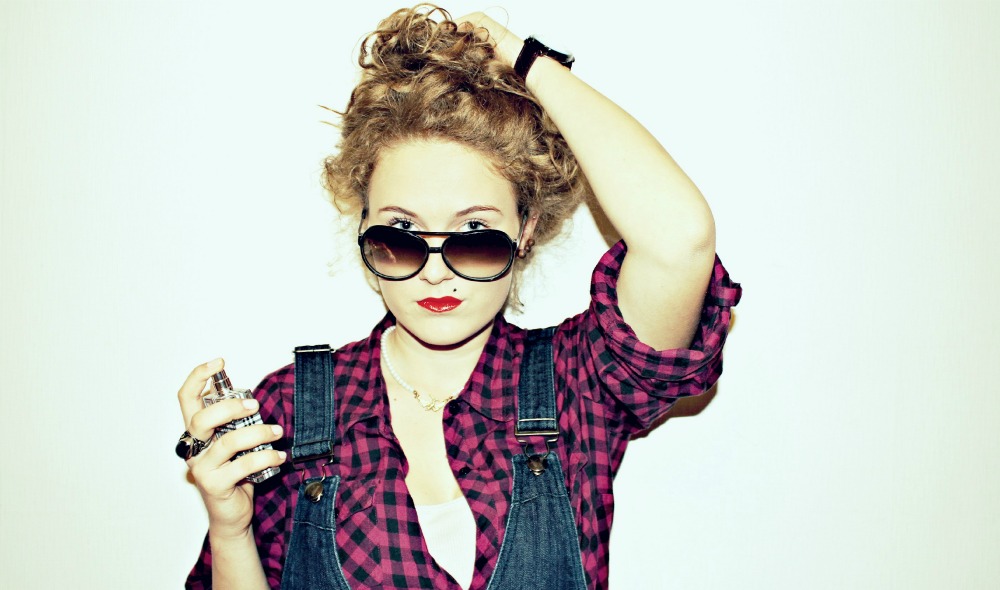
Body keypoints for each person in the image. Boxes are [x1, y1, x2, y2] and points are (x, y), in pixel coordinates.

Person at [177, 5, 741, 589]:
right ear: (365, 229)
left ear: (524, 231)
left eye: (475, 235)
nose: (435, 273)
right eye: (402, 233)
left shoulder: (580, 382)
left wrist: (526, 58)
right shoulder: (291, 412)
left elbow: (680, 240)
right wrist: (230, 528)